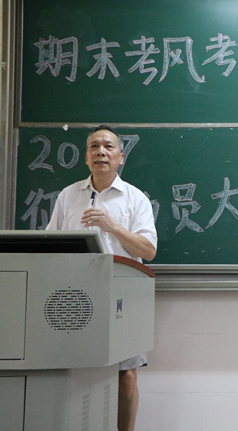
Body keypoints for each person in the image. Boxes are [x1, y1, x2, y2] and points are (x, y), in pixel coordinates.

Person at [46, 125, 157, 431]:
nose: (101, 152)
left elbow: (148, 251)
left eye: (109, 146)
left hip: (122, 295)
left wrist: (112, 226)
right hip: (73, 295)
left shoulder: (135, 199)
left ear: (121, 157)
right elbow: (49, 243)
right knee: (66, 369)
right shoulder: (69, 195)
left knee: (126, 372)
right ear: (86, 157)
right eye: (94, 146)